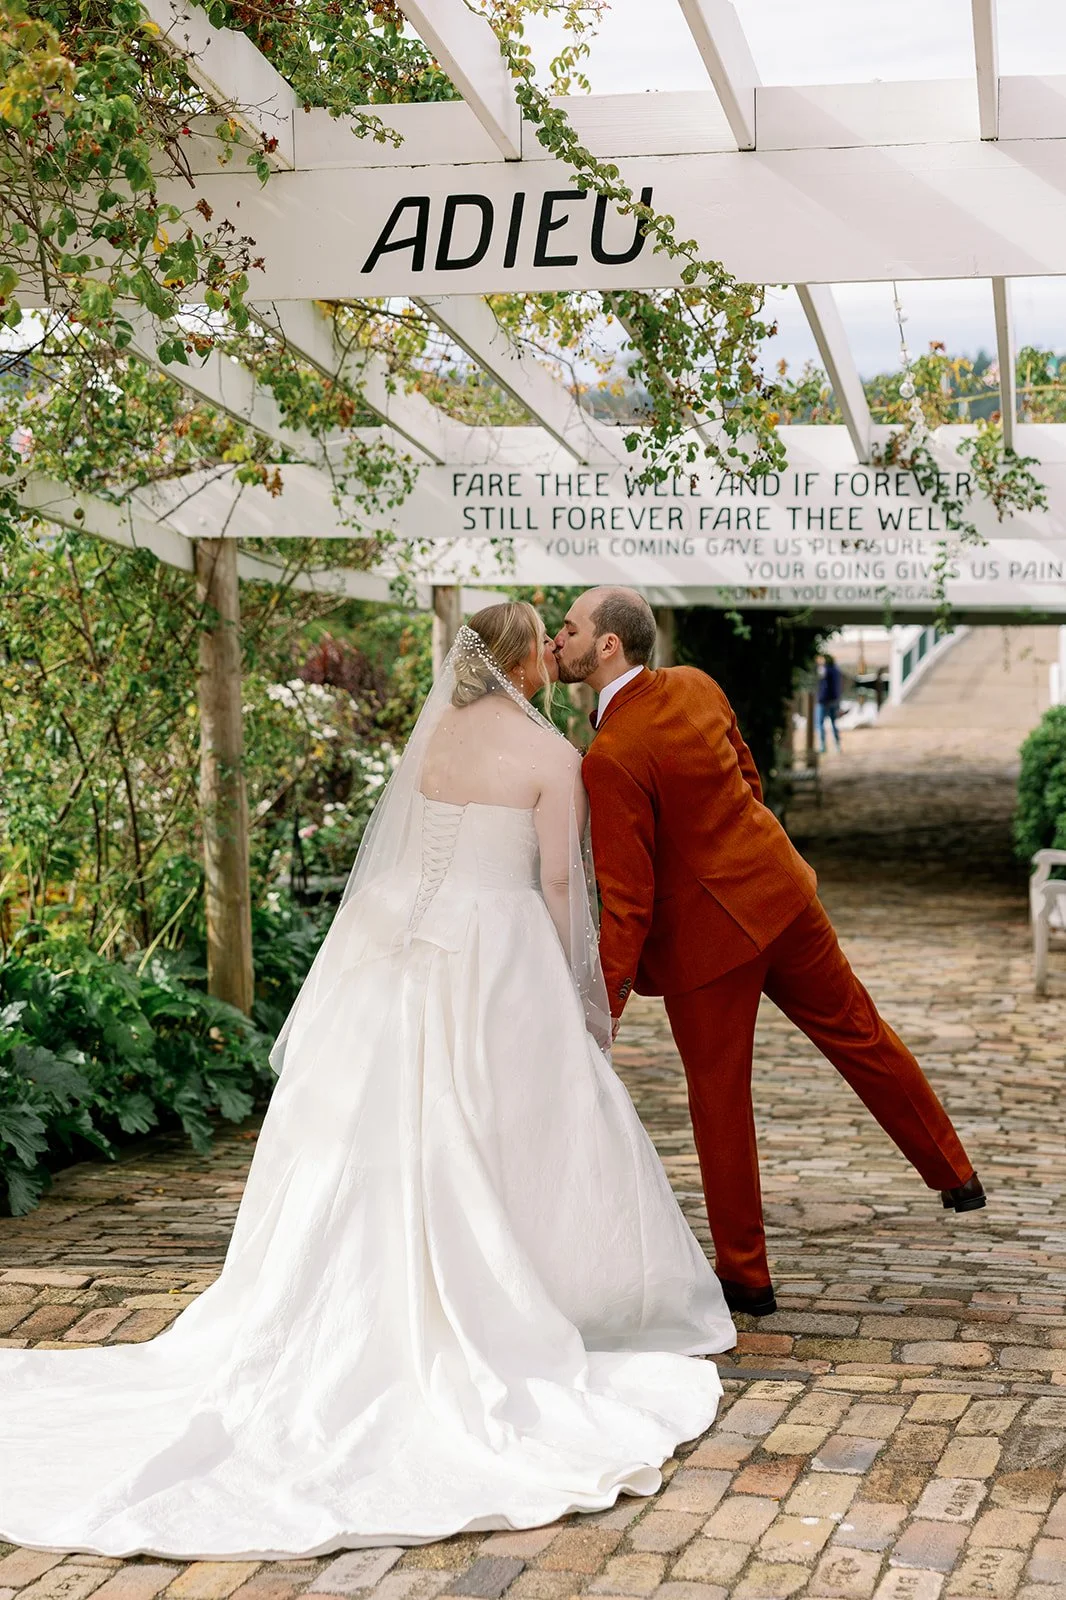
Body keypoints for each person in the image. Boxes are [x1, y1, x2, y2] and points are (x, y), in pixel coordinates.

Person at [0, 602, 735, 1560]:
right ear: (523, 660)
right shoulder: (552, 759)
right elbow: (561, 887)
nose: (556, 651)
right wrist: (578, 988)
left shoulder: (433, 747)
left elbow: (414, 849)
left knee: (384, 1129)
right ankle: (547, 1293)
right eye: (543, 642)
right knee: (513, 1121)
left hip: (398, 950)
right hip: (499, 948)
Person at [555, 587, 985, 1319]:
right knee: (862, 1035)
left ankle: (748, 1281)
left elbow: (628, 898)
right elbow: (748, 781)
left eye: (567, 629)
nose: (556, 639)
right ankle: (956, 1174)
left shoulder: (611, 756)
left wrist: (605, 1003)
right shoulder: (697, 685)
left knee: (720, 1104)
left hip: (708, 947)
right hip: (782, 897)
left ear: (607, 647)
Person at [816, 651, 843, 754]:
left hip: (824, 700)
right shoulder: (837, 670)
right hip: (834, 700)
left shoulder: (825, 669)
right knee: (834, 723)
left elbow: (820, 674)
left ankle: (823, 746)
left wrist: (820, 664)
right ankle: (837, 745)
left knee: (820, 723)